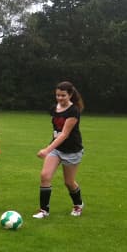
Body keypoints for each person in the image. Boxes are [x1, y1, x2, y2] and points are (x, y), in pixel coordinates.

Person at [33, 81, 85, 218]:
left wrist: (46, 149)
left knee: (68, 182)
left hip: (72, 150)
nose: (60, 98)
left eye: (63, 95)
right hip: (56, 149)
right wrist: (51, 149)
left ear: (70, 95)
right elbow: (56, 131)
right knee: (45, 176)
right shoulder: (53, 108)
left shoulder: (74, 111)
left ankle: (78, 205)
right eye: (57, 95)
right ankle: (44, 211)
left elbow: (64, 134)